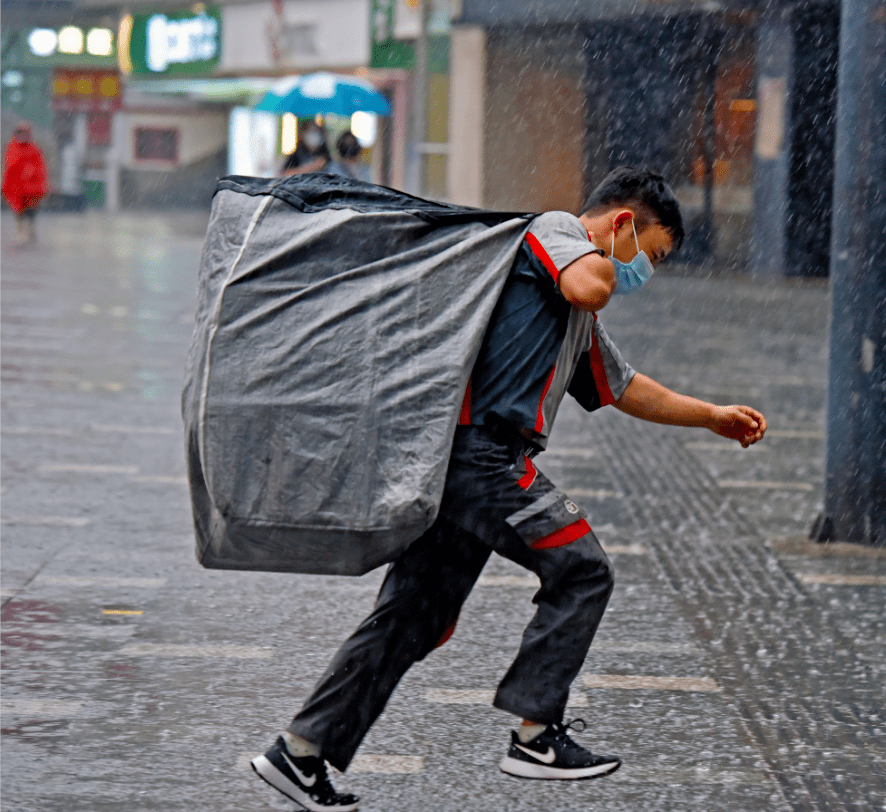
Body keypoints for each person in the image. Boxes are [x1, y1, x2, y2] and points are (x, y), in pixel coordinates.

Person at [249, 166, 768, 811]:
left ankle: (300, 753)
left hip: (462, 465)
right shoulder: (554, 233)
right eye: (650, 254)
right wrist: (607, 254)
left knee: (414, 617)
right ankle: (535, 735)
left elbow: (624, 386)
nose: (646, 272)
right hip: (484, 457)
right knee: (582, 569)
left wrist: (712, 415)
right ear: (624, 222)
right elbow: (588, 283)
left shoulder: (569, 307)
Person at [3, 123, 48, 247]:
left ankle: (30, 230)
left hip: (32, 190)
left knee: (31, 212)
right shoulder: (12, 148)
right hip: (17, 189)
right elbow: (9, 168)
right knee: (19, 212)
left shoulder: (34, 149)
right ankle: (21, 234)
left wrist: (32, 173)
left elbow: (40, 168)